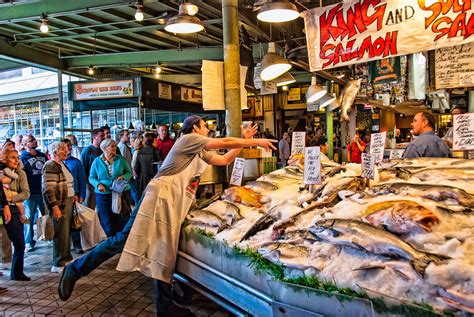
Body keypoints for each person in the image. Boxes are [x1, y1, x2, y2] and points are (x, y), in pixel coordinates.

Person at [58, 115, 276, 315]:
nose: (207, 130)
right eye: (205, 126)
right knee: (123, 240)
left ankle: (165, 304)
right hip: (159, 197)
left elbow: (225, 159)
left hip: (174, 202)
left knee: (164, 249)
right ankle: (74, 270)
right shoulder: (188, 139)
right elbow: (226, 143)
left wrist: (244, 139)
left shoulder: (199, 150)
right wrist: (253, 142)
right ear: (194, 128)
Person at [89, 139, 132, 237]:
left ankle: (121, 239)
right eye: (112, 146)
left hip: (119, 192)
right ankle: (110, 240)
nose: (115, 148)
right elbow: (91, 177)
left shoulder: (120, 159)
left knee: (120, 217)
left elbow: (129, 172)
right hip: (103, 194)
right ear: (104, 148)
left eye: (115, 145)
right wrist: (98, 185)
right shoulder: (97, 161)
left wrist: (123, 177)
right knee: (106, 219)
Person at [42, 142, 75, 273]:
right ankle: (58, 262)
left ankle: (67, 257)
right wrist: (54, 206)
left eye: (65, 149)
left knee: (66, 231)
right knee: (60, 232)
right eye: (62, 149)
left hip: (68, 200)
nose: (66, 151)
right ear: (55, 152)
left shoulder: (62, 164)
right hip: (59, 203)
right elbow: (48, 188)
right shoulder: (50, 165)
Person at [2, 148, 30, 281]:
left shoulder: (21, 174)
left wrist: (10, 197)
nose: (16, 160)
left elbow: (25, 193)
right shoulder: (1, 174)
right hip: (2, 209)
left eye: (17, 157)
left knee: (20, 243)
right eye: (13, 157)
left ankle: (17, 272)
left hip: (14, 209)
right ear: (5, 159)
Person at [20, 135, 48, 252]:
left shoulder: (42, 156)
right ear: (26, 144)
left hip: (43, 191)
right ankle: (28, 241)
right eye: (31, 141)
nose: (35, 141)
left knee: (47, 215)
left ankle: (48, 235)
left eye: (34, 139)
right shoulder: (23, 158)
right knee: (29, 218)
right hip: (30, 193)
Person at [63, 138, 87, 255]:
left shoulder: (76, 162)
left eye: (70, 145)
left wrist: (82, 194)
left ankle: (77, 244)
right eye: (67, 145)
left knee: (75, 220)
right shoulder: (56, 163)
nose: (69, 148)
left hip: (74, 194)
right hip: (62, 196)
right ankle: (65, 245)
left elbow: (82, 179)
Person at [80, 128, 104, 210]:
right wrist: (86, 183)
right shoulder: (87, 151)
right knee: (90, 206)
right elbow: (83, 168)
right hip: (90, 184)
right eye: (101, 136)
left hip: (101, 182)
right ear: (95, 137)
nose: (103, 138)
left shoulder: (102, 150)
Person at [134, 132, 162, 199]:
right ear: (153, 140)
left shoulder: (140, 151)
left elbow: (136, 168)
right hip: (155, 179)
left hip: (143, 179)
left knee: (144, 199)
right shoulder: (157, 152)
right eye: (156, 139)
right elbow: (160, 167)